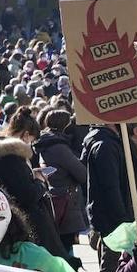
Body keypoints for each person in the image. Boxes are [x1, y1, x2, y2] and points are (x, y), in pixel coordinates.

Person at [0, 108, 69, 265]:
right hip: (20, 227)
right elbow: (27, 194)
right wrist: (39, 181)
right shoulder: (9, 157)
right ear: (26, 135)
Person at [82, 122, 137, 272]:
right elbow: (110, 188)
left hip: (121, 219)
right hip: (115, 224)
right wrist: (123, 222)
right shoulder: (105, 145)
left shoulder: (116, 141)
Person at [32, 109, 88, 261]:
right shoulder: (59, 147)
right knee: (66, 246)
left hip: (54, 195)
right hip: (66, 200)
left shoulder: (45, 142)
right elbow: (82, 174)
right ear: (66, 124)